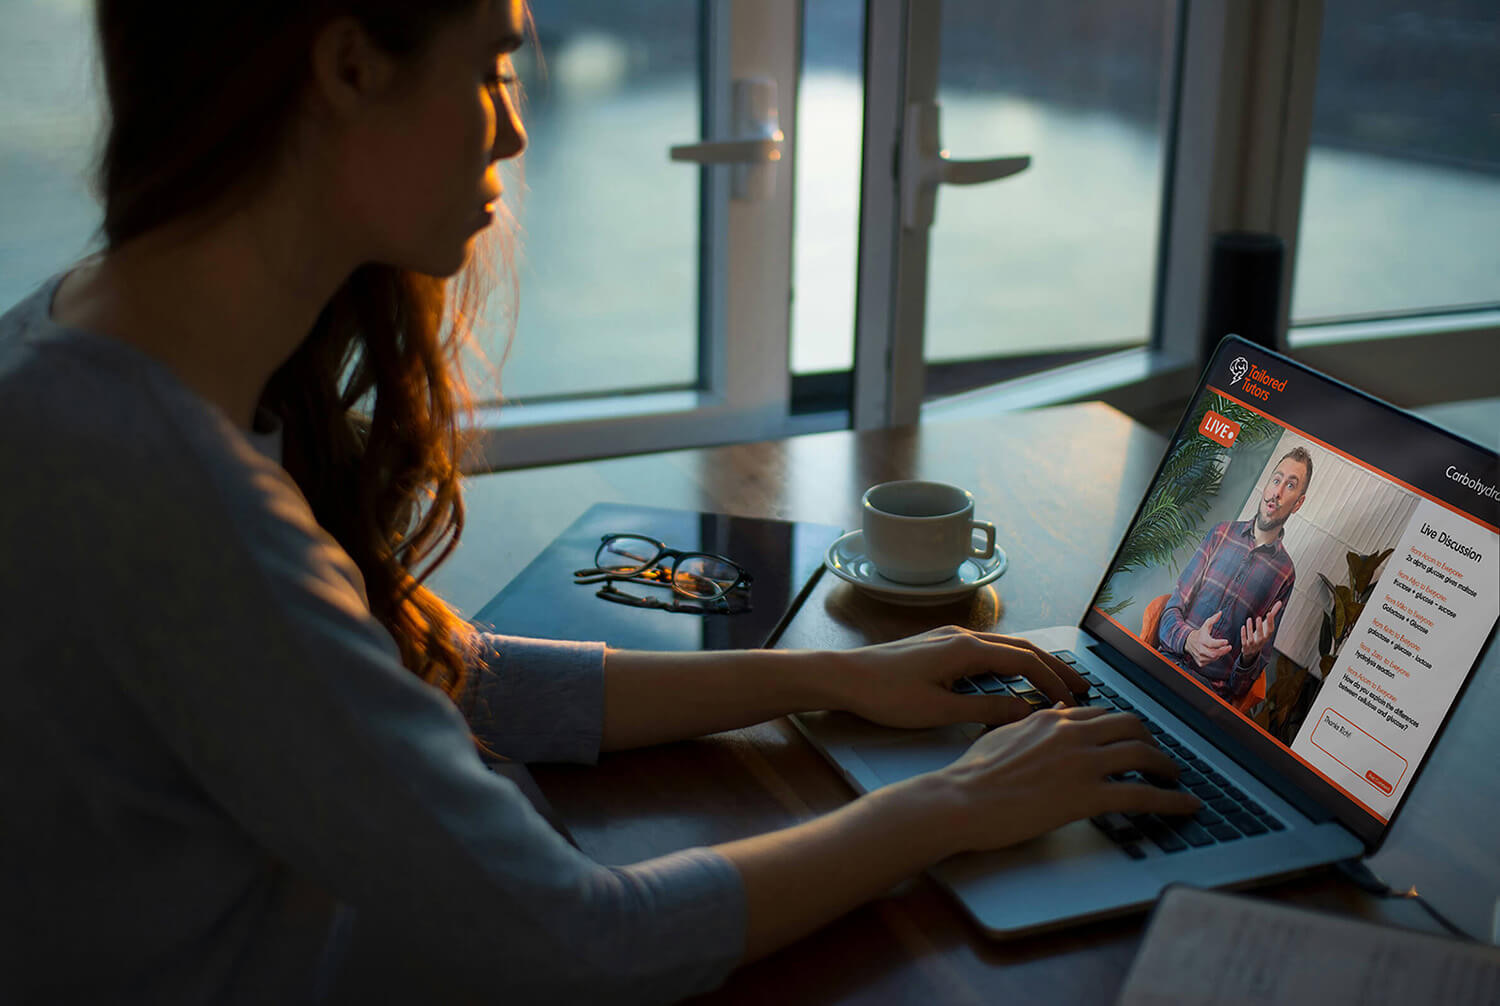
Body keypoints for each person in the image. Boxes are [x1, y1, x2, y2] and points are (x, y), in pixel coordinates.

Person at [0, 2, 1199, 1001]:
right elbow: (582, 939)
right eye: (491, 66)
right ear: (351, 62)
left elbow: (431, 672)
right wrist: (950, 805)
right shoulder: (181, 506)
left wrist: (823, 678)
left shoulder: (80, 341)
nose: (515, 129)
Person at [1157, 447, 1312, 703]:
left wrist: (1249, 657)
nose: (1277, 491)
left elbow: (1241, 687)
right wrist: (1189, 640)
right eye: (1276, 480)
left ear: (1298, 503)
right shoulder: (1220, 534)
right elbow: (1170, 611)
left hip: (1208, 696)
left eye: (1290, 485)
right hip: (1165, 665)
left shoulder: (1285, 574)